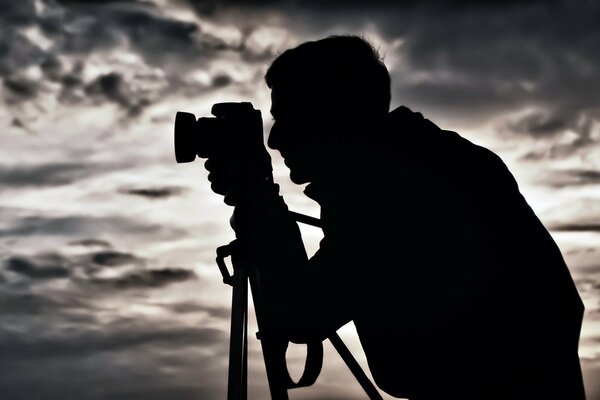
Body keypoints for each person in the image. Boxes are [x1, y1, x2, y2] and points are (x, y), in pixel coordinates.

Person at [204, 35, 585, 399]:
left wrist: (259, 198)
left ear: (332, 116)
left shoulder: (393, 185)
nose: (274, 140)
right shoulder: (426, 160)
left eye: (287, 118)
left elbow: (301, 312)